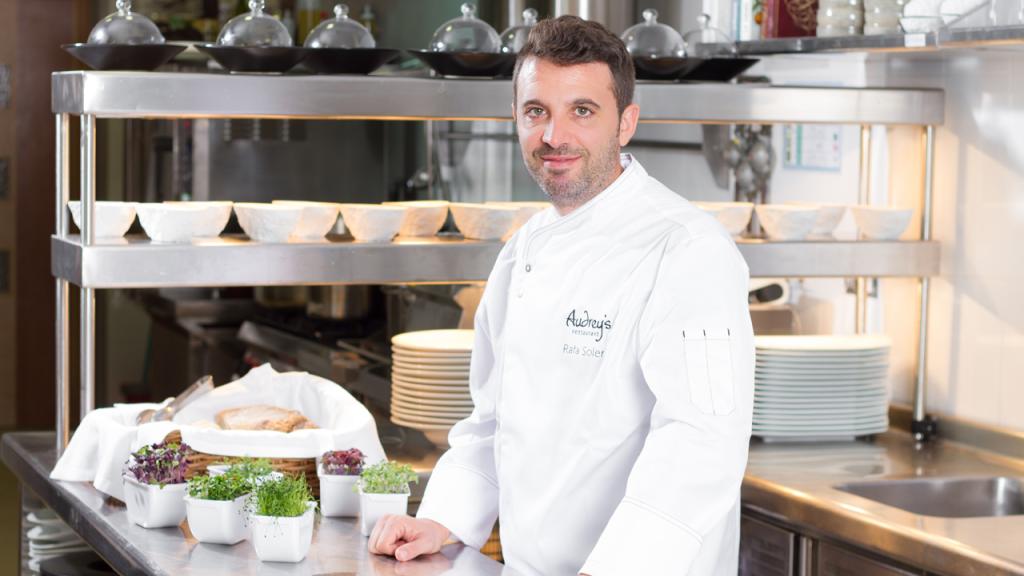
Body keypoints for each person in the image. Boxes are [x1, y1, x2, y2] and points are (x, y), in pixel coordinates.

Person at [368, 15, 754, 576]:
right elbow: (492, 425)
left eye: (582, 110)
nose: (554, 137)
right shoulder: (523, 250)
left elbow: (700, 449)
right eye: (536, 112)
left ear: (626, 123)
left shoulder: (688, 250)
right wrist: (443, 520)